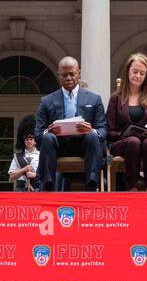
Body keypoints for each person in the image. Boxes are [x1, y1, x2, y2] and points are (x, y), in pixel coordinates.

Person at [35, 56, 107, 191]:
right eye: (64, 75)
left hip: (84, 145)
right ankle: (48, 186)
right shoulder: (46, 101)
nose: (68, 78)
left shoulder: (94, 99)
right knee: (47, 137)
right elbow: (38, 133)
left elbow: (103, 130)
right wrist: (49, 131)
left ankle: (92, 184)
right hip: (58, 146)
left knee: (93, 135)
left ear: (79, 73)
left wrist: (90, 129)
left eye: (72, 74)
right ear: (58, 75)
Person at [106, 52, 147, 191]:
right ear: (128, 71)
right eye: (135, 71)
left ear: (146, 76)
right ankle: (132, 187)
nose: (138, 76)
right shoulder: (116, 98)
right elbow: (109, 129)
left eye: (142, 73)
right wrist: (124, 135)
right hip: (123, 142)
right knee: (134, 141)